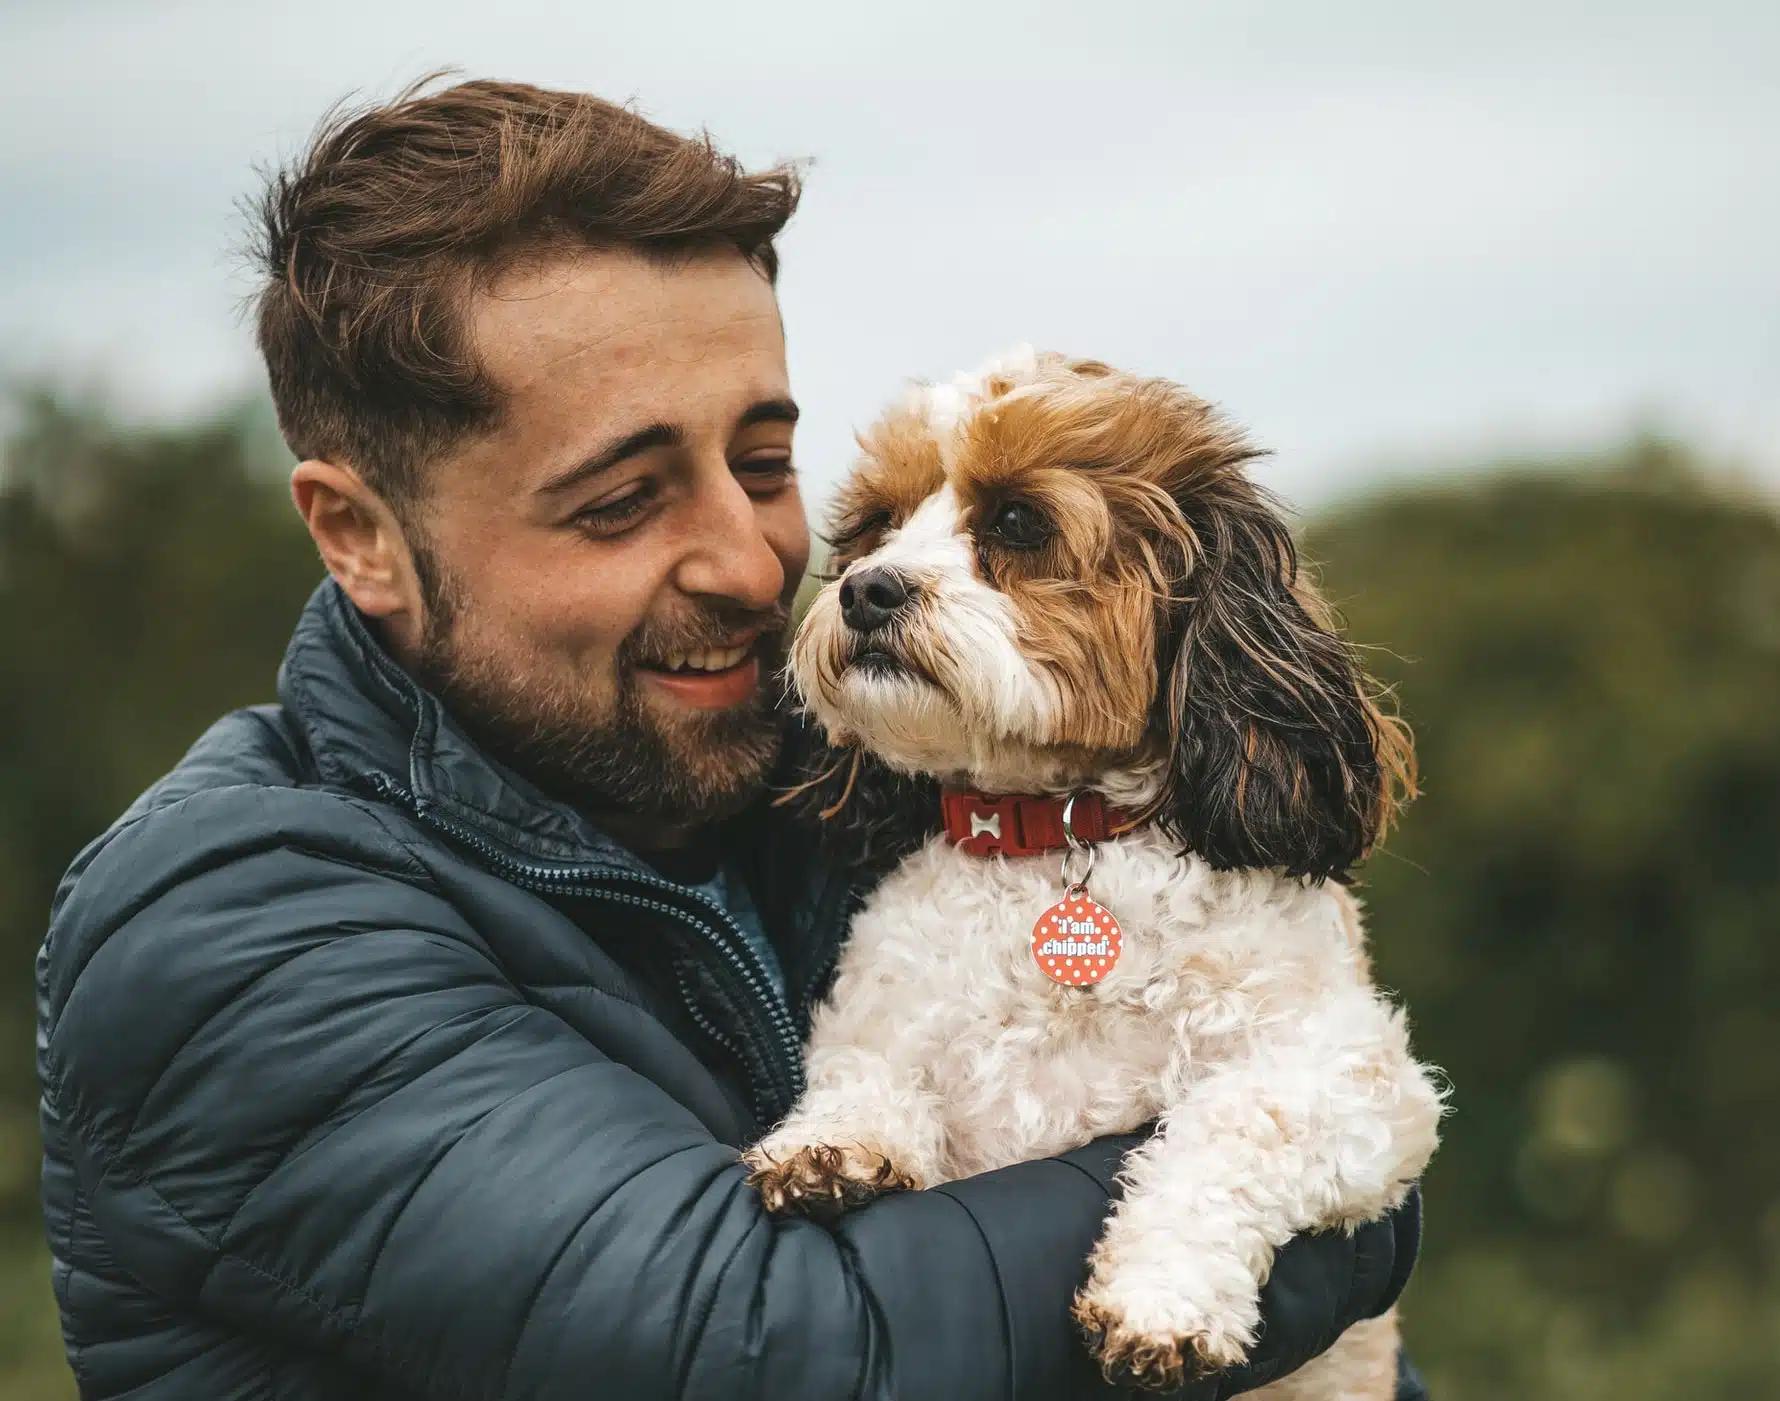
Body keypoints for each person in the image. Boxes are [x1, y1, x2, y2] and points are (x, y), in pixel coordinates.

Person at [36, 78, 1428, 1401]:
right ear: (361, 538)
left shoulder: (845, 788)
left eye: (766, 467)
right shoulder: (223, 931)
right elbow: (762, 1348)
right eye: (623, 499)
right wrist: (1311, 1152)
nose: (759, 570)